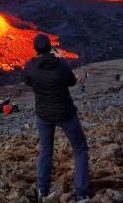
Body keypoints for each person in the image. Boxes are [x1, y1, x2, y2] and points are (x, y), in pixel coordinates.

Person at [24, 34, 89, 202]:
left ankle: (42, 190)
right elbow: (71, 82)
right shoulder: (60, 66)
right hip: (65, 113)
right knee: (80, 148)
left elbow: (28, 82)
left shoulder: (30, 66)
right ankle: (82, 192)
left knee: (46, 150)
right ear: (50, 47)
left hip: (43, 114)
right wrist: (58, 61)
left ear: (35, 49)